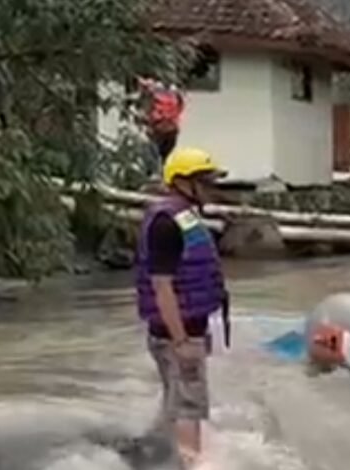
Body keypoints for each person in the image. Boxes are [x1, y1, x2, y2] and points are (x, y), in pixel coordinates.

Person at [135, 147, 229, 469]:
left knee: (177, 402)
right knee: (189, 407)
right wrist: (182, 343)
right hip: (178, 335)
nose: (210, 188)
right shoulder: (167, 224)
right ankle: (191, 464)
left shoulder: (183, 216)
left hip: (184, 331)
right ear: (183, 182)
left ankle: (158, 457)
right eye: (204, 181)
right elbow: (162, 287)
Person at [138, 77, 185, 171]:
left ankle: (156, 175)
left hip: (158, 128)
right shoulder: (174, 92)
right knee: (163, 159)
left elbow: (144, 109)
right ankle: (160, 174)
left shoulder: (152, 92)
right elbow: (180, 107)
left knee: (153, 159)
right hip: (170, 128)